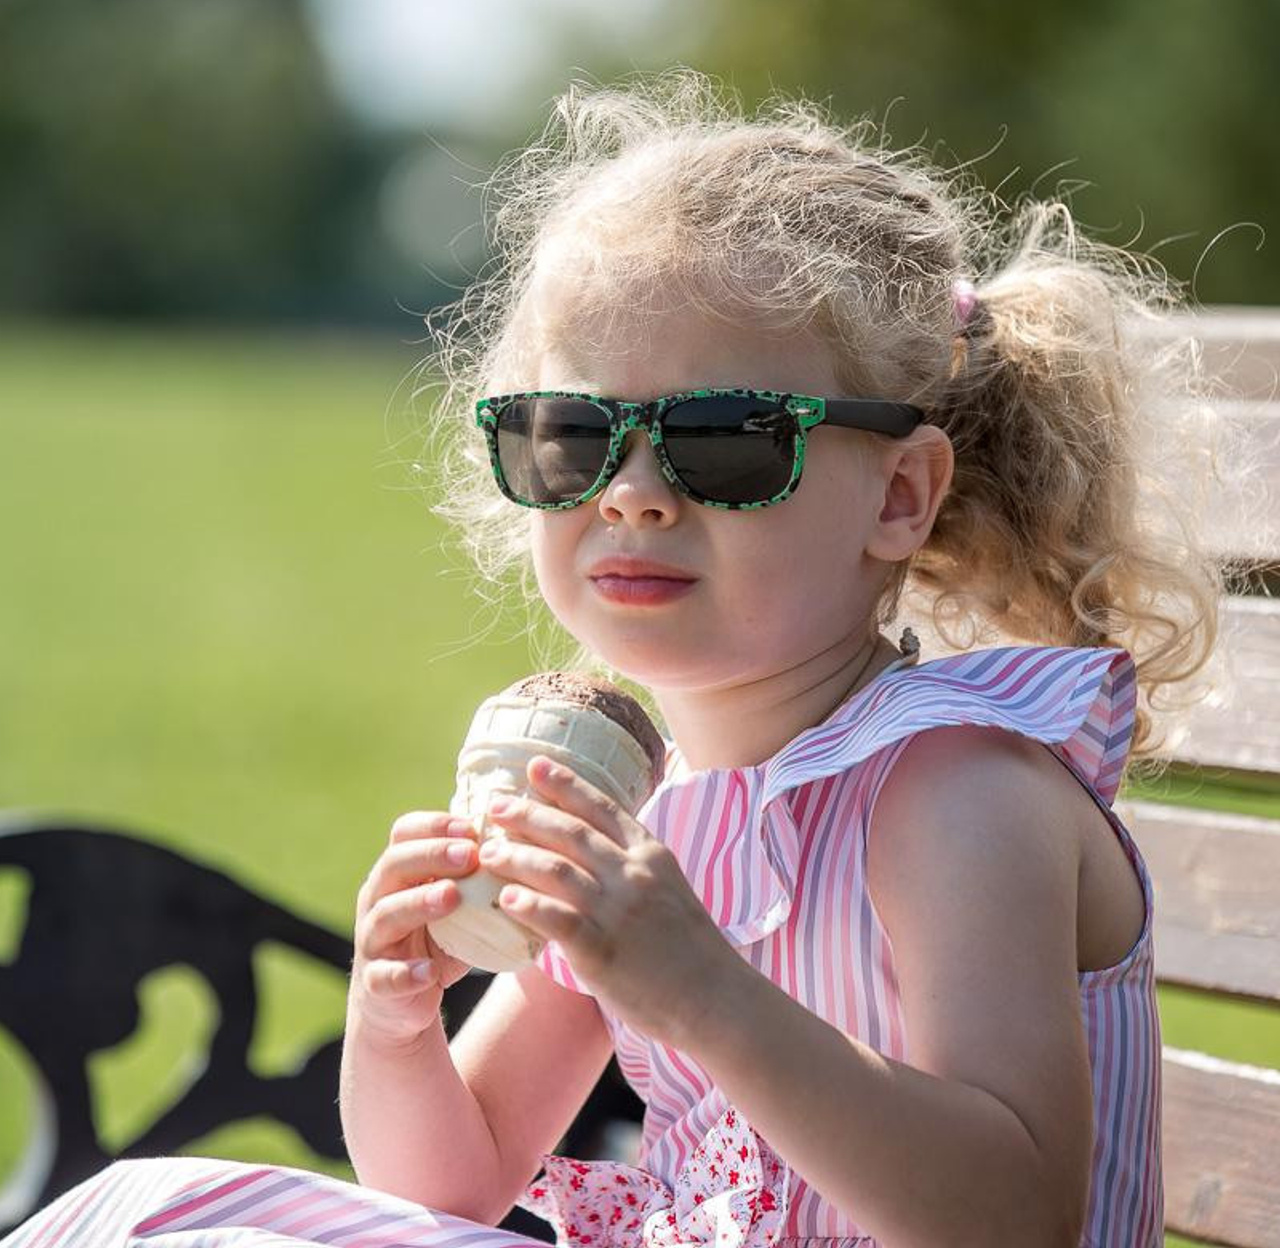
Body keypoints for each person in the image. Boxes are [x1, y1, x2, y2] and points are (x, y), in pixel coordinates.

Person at [6, 68, 1236, 1248]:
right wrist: (395, 1021)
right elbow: (450, 1183)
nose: (633, 492)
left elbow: (1012, 1220)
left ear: (899, 494)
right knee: (152, 1208)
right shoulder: (645, 822)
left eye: (724, 439)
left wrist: (701, 991)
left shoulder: (956, 796)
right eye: (572, 434)